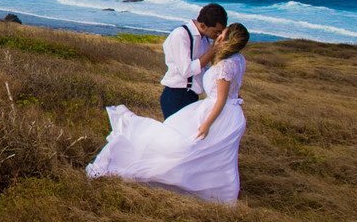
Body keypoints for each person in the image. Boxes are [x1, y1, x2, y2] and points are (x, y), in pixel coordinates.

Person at [87, 23, 251, 204]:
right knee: (214, 156)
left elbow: (221, 99)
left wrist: (206, 124)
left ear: (227, 39)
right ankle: (218, 192)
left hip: (217, 113)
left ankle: (189, 183)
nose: (219, 35)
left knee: (189, 148)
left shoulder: (225, 65)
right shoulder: (238, 59)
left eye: (223, 33)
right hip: (231, 113)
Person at [160, 3, 227, 119]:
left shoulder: (204, 38)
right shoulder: (181, 35)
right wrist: (214, 50)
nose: (218, 35)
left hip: (192, 96)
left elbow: (204, 69)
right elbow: (186, 71)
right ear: (203, 25)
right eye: (216, 31)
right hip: (177, 95)